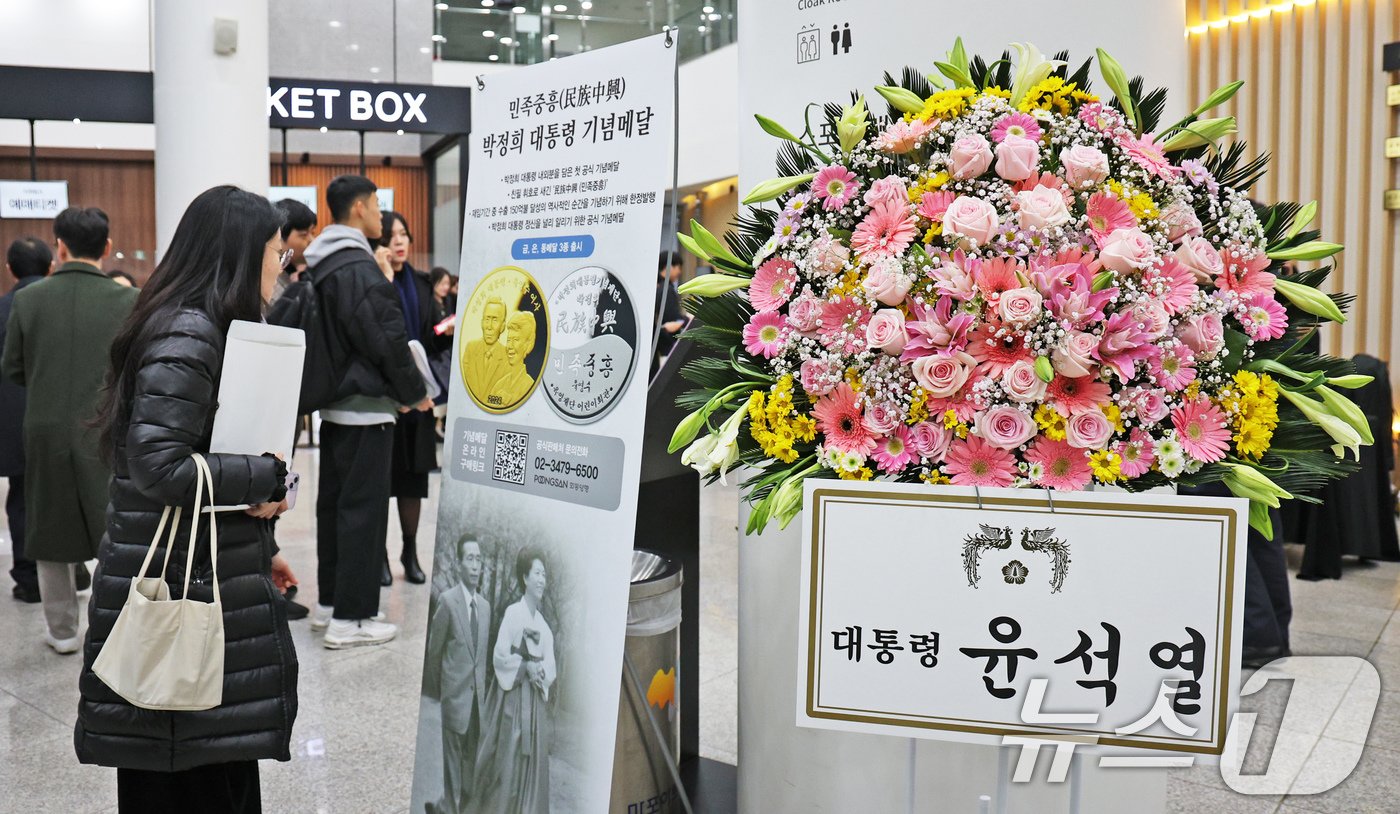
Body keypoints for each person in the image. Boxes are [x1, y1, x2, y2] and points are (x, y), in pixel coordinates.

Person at [76, 185, 297, 813]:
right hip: (181, 583)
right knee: (191, 775)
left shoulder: (192, 323)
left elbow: (192, 458)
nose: (280, 265)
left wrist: (259, 543)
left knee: (200, 768)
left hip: (203, 568)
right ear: (241, 252)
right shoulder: (191, 330)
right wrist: (264, 476)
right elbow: (160, 464)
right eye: (276, 251)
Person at [1, 207, 138, 654]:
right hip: (103, 424)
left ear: (59, 246)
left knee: (50, 527)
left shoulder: (29, 300)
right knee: (112, 524)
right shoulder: (128, 301)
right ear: (106, 245)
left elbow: (14, 368)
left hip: (44, 428)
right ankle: (116, 623)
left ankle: (62, 632)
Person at [304, 175, 430, 648]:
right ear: (358, 208)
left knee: (336, 509)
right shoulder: (357, 267)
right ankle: (352, 619)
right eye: (378, 205)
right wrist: (416, 391)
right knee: (362, 512)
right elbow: (386, 340)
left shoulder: (322, 263)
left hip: (335, 408)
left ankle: (331, 604)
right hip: (366, 408)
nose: (381, 214)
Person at [380, 210, 452, 586]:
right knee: (381, 479)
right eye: (392, 235)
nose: (400, 241)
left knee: (412, 480)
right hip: (384, 401)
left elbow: (430, 337)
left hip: (420, 399)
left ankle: (410, 550)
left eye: (404, 234)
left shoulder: (423, 284)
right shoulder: (374, 281)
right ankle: (378, 554)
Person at [476, 548, 556, 814]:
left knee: (531, 767)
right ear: (525, 577)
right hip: (511, 699)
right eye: (537, 574)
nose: (542, 580)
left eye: (544, 574)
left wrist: (541, 672)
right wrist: (524, 667)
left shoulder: (544, 626)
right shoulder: (513, 613)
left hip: (534, 705)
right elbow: (499, 656)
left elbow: (551, 665)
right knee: (507, 763)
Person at [0, 237, 52, 604]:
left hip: (14, 422)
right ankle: (70, 570)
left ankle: (29, 578)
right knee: (64, 494)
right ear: (51, 265)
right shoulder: (62, 306)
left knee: (20, 499)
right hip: (61, 420)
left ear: (10, 269)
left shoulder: (2, 309)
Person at [423, 538, 492, 814]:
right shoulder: (448, 602)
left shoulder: (485, 608)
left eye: (479, 559)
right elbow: (434, 651)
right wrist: (446, 690)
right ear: (459, 563)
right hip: (454, 699)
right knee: (452, 766)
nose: (475, 566)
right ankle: (448, 808)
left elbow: (482, 659)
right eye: (470, 559)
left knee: (470, 765)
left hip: (478, 704)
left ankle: (444, 807)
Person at [270, 198, 316, 301]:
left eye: (313, 233)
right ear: (279, 237)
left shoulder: (304, 270)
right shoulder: (270, 279)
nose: (311, 240)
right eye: (304, 235)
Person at [464, 297, 508, 405]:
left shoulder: (508, 357)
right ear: (481, 322)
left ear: (502, 326)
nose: (489, 326)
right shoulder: (471, 348)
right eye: (487, 319)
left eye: (495, 320)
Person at [489, 312, 538, 406]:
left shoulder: (529, 385)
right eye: (508, 340)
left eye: (515, 340)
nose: (510, 346)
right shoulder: (499, 384)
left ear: (527, 345)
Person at [653, 252, 686, 375]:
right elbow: (672, 319)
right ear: (669, 267)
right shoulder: (666, 289)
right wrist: (686, 319)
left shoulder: (656, 287)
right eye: (678, 268)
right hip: (666, 349)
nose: (679, 272)